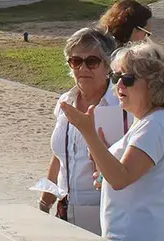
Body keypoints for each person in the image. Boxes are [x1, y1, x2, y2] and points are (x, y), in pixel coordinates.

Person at [60, 41, 164, 241]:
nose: (118, 85)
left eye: (127, 79)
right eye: (116, 77)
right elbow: (125, 179)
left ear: (153, 83)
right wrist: (102, 174)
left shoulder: (155, 124)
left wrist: (88, 132)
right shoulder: (150, 120)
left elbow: (121, 178)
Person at [39, 28, 122, 234]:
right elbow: (59, 157)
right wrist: (44, 202)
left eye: (92, 61)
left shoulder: (120, 107)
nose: (83, 68)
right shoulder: (65, 101)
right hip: (64, 211)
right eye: (76, 61)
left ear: (107, 66)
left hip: (104, 213)